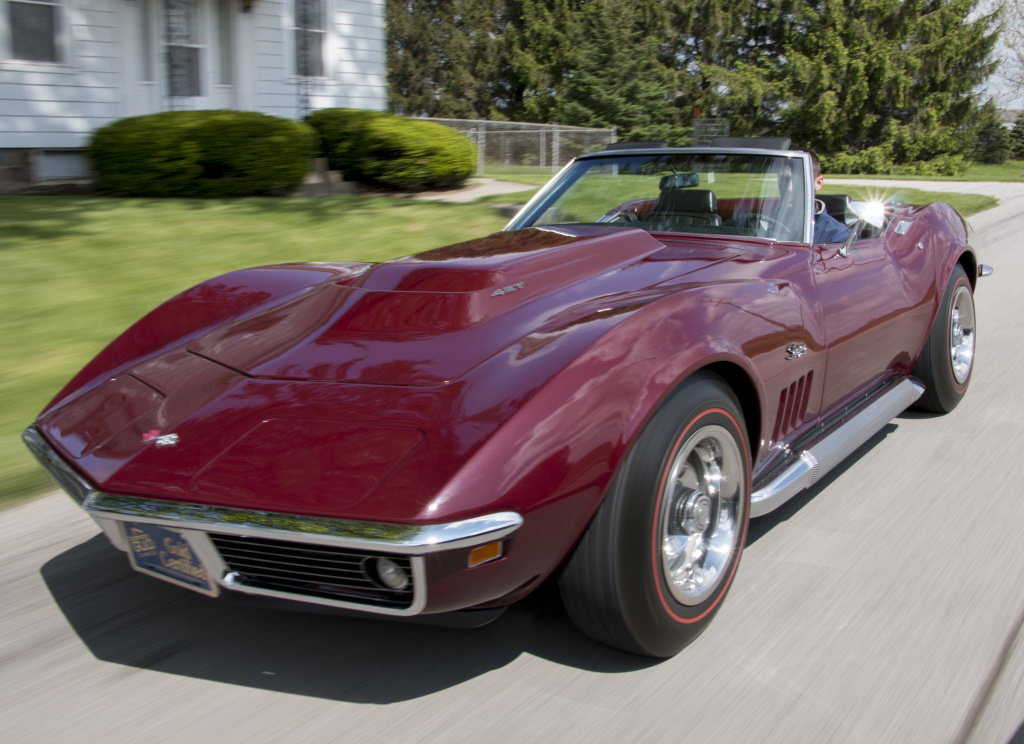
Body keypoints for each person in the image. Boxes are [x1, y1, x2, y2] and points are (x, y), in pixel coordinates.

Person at [806, 151, 851, 244]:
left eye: (796, 180)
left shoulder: (839, 236)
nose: (786, 187)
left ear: (818, 183)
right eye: (782, 179)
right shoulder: (769, 222)